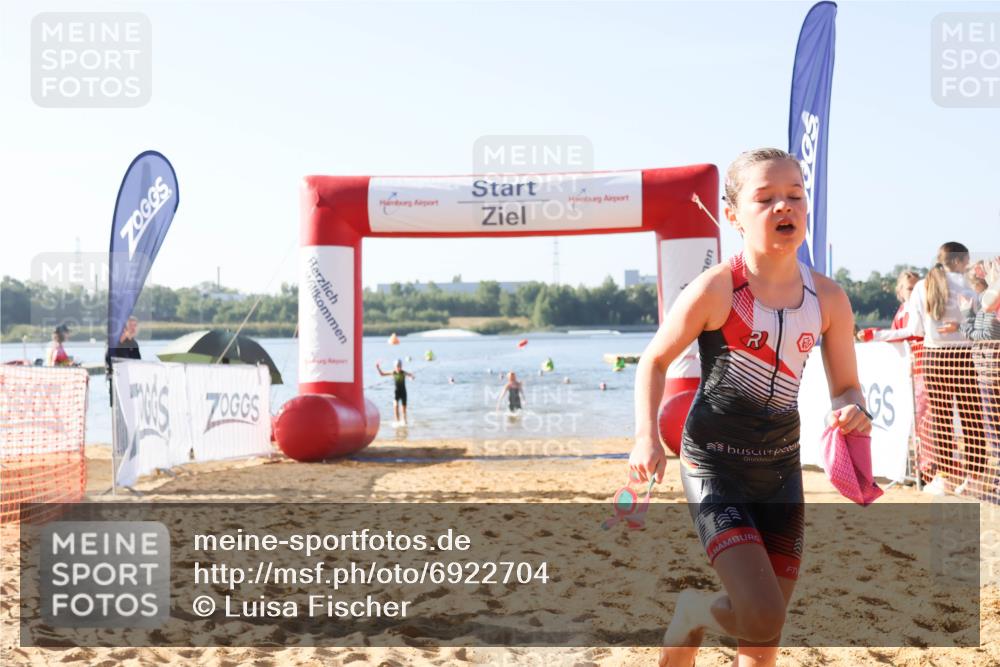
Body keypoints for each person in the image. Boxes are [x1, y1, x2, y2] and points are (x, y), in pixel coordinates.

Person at [629, 148, 872, 667]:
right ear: (734, 217)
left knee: (763, 637)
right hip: (714, 463)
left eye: (795, 196)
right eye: (765, 199)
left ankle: (693, 616)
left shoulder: (827, 298)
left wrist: (853, 410)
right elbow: (653, 361)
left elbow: (847, 387)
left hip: (781, 468)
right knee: (761, 614)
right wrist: (646, 438)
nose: (784, 207)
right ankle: (694, 610)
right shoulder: (718, 289)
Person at [905, 242, 986, 496]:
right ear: (961, 261)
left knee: (941, 419)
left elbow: (915, 329)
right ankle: (976, 476)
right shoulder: (969, 286)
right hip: (962, 356)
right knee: (971, 416)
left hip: (933, 357)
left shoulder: (921, 286)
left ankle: (946, 478)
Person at [856, 270, 922, 342]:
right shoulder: (901, 311)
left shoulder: (923, 309)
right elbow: (894, 335)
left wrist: (874, 334)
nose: (914, 292)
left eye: (917, 289)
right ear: (901, 291)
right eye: (910, 289)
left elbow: (913, 333)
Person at [375, 359, 414, 425]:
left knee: (403, 409)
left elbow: (410, 375)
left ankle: (404, 422)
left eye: (400, 366)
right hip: (396, 393)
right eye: (397, 366)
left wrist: (412, 377)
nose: (398, 367)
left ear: (401, 366)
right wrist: (378, 368)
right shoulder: (393, 372)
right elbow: (382, 374)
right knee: (395, 406)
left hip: (403, 393)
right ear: (395, 366)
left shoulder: (403, 373)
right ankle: (397, 422)